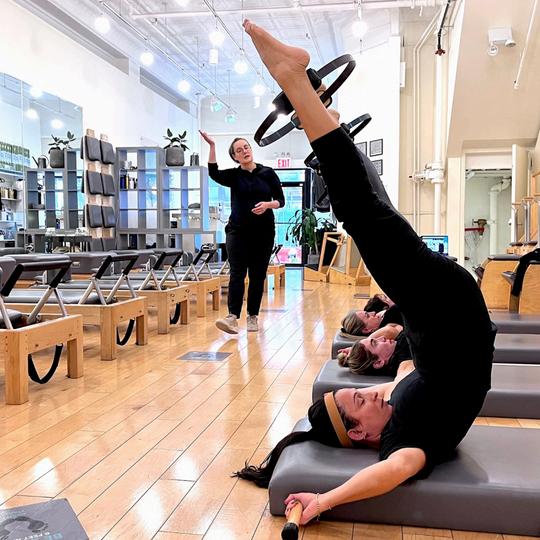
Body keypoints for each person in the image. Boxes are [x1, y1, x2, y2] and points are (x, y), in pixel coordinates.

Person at [234, 20, 496, 525]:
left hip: (439, 312)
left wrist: (388, 338)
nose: (368, 392)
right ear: (360, 433)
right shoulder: (403, 440)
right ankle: (295, 81)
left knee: (373, 211)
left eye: (359, 391)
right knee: (361, 213)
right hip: (450, 313)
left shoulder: (394, 404)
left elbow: (407, 371)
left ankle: (319, 110)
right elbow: (391, 473)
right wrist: (324, 501)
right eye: (359, 400)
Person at [199, 131, 285, 333]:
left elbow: (281, 200)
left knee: (257, 275)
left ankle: (252, 315)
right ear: (235, 157)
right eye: (239, 150)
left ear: (251, 150)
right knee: (237, 273)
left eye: (246, 147)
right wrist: (212, 146)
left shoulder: (268, 173)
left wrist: (268, 205)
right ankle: (232, 317)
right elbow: (213, 173)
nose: (244, 151)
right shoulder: (234, 175)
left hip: (263, 232)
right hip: (237, 231)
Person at [337, 323, 414, 377]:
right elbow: (388, 330)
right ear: (378, 363)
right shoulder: (406, 359)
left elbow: (391, 329)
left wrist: (355, 352)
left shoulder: (399, 345)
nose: (382, 338)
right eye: (375, 343)